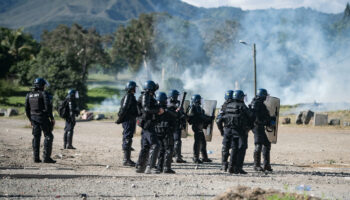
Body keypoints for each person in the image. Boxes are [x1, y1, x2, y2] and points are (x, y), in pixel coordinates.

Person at [216, 90, 252, 174]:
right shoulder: (242, 106)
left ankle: (226, 166)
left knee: (228, 147)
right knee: (240, 148)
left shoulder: (225, 106)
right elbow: (251, 116)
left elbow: (218, 120)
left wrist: (222, 130)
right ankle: (237, 167)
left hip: (228, 130)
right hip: (239, 130)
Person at [25, 78, 56, 163]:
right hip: (43, 118)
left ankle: (36, 158)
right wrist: (52, 118)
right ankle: (46, 158)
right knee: (49, 136)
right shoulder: (43, 94)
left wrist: (30, 119)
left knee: (36, 137)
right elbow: (48, 108)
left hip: (33, 119)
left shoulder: (29, 95)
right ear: (42, 85)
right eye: (44, 85)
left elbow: (27, 109)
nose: (45, 87)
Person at [135, 80, 164, 174]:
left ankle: (140, 166)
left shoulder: (148, 96)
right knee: (156, 144)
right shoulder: (146, 95)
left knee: (146, 146)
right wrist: (158, 110)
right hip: (148, 124)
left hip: (148, 123)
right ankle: (150, 167)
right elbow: (146, 109)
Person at [250, 88, 275, 172]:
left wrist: (270, 119)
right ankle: (256, 165)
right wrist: (265, 122)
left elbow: (263, 115)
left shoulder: (260, 103)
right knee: (258, 144)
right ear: (262, 95)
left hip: (260, 126)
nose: (266, 97)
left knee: (266, 144)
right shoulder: (256, 104)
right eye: (265, 95)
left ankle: (266, 165)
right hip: (256, 126)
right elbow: (255, 117)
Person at [116, 81, 139, 167]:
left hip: (130, 119)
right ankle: (126, 160)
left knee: (128, 137)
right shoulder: (129, 96)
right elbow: (124, 108)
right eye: (134, 88)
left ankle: (127, 158)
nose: (135, 89)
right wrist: (120, 118)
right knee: (127, 137)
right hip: (128, 120)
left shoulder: (130, 96)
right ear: (131, 88)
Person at [187, 94, 213, 164]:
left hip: (199, 126)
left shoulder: (198, 107)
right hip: (196, 126)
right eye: (200, 99)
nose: (201, 101)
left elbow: (202, 116)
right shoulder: (194, 107)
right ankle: (196, 158)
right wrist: (208, 118)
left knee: (203, 142)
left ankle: (204, 157)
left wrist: (208, 119)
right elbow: (199, 117)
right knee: (197, 142)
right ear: (197, 100)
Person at [155, 92, 177, 173]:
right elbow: (175, 115)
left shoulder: (155, 109)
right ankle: (166, 168)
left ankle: (159, 167)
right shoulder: (166, 110)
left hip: (157, 131)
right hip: (166, 132)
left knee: (161, 149)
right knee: (169, 149)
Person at [216, 90, 234, 171]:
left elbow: (218, 120)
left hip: (226, 129)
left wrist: (221, 131)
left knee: (225, 147)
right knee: (235, 147)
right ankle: (232, 165)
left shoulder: (223, 106)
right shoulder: (237, 105)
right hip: (236, 130)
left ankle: (224, 165)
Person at [167, 89, 187, 163]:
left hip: (177, 124)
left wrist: (183, 115)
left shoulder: (178, 103)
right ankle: (172, 156)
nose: (177, 97)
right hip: (170, 124)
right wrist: (176, 111)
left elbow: (182, 113)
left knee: (177, 141)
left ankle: (177, 156)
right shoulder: (168, 103)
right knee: (171, 141)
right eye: (176, 96)